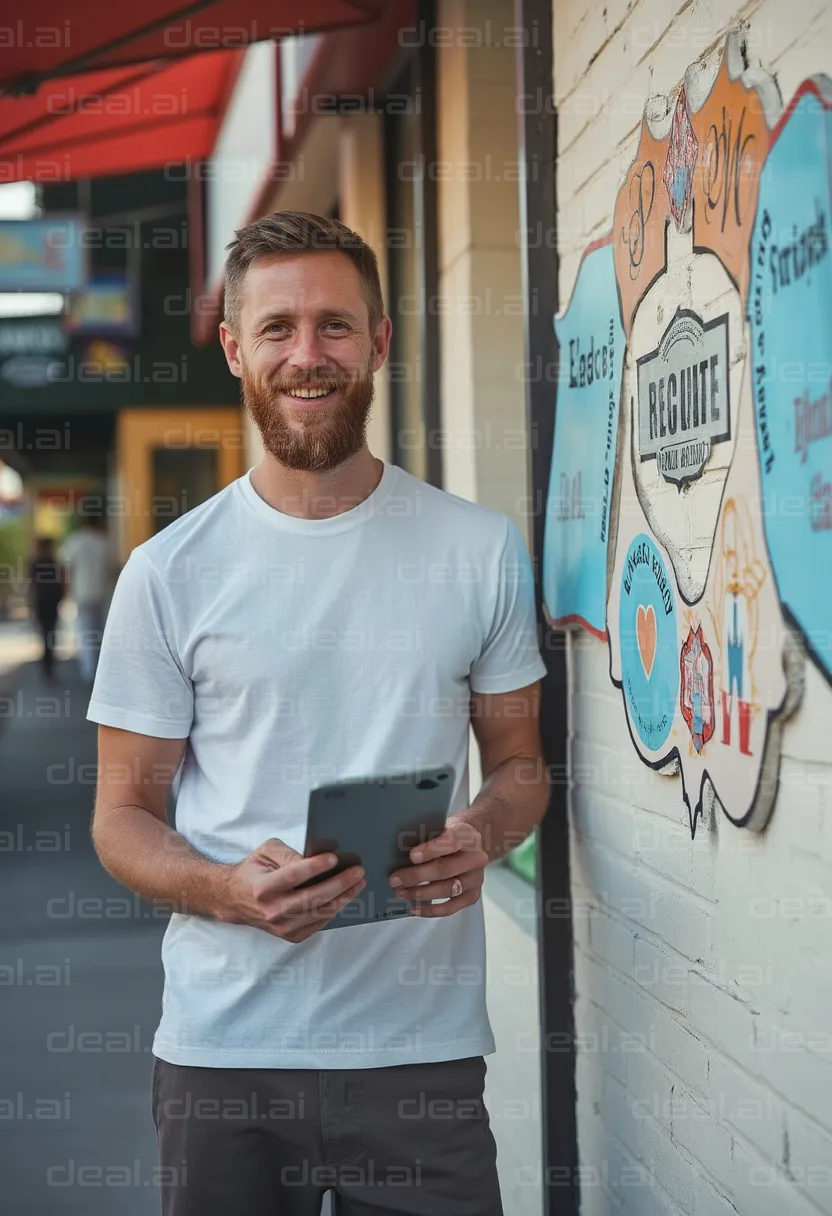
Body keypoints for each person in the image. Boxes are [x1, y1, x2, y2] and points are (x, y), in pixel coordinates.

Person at [87, 211, 550, 1216]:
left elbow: (521, 765)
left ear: (380, 340)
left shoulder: (478, 549)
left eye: (336, 326)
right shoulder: (167, 574)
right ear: (233, 349)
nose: (309, 355)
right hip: (224, 1064)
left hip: (419, 1060)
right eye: (278, 328)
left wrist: (480, 832)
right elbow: (120, 816)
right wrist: (221, 888)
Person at [59, 512, 112, 683]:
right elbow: (112, 567)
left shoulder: (75, 540)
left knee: (86, 631)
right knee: (100, 631)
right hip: (101, 592)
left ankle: (90, 671)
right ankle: (101, 669)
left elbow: (66, 567)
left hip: (82, 592)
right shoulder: (103, 542)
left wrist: (67, 590)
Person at [28, 536, 65, 678]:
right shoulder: (54, 563)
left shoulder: (35, 563)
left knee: (45, 630)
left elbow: (32, 585)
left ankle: (47, 659)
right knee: (51, 630)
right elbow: (60, 582)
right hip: (52, 601)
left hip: (41, 601)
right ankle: (48, 658)